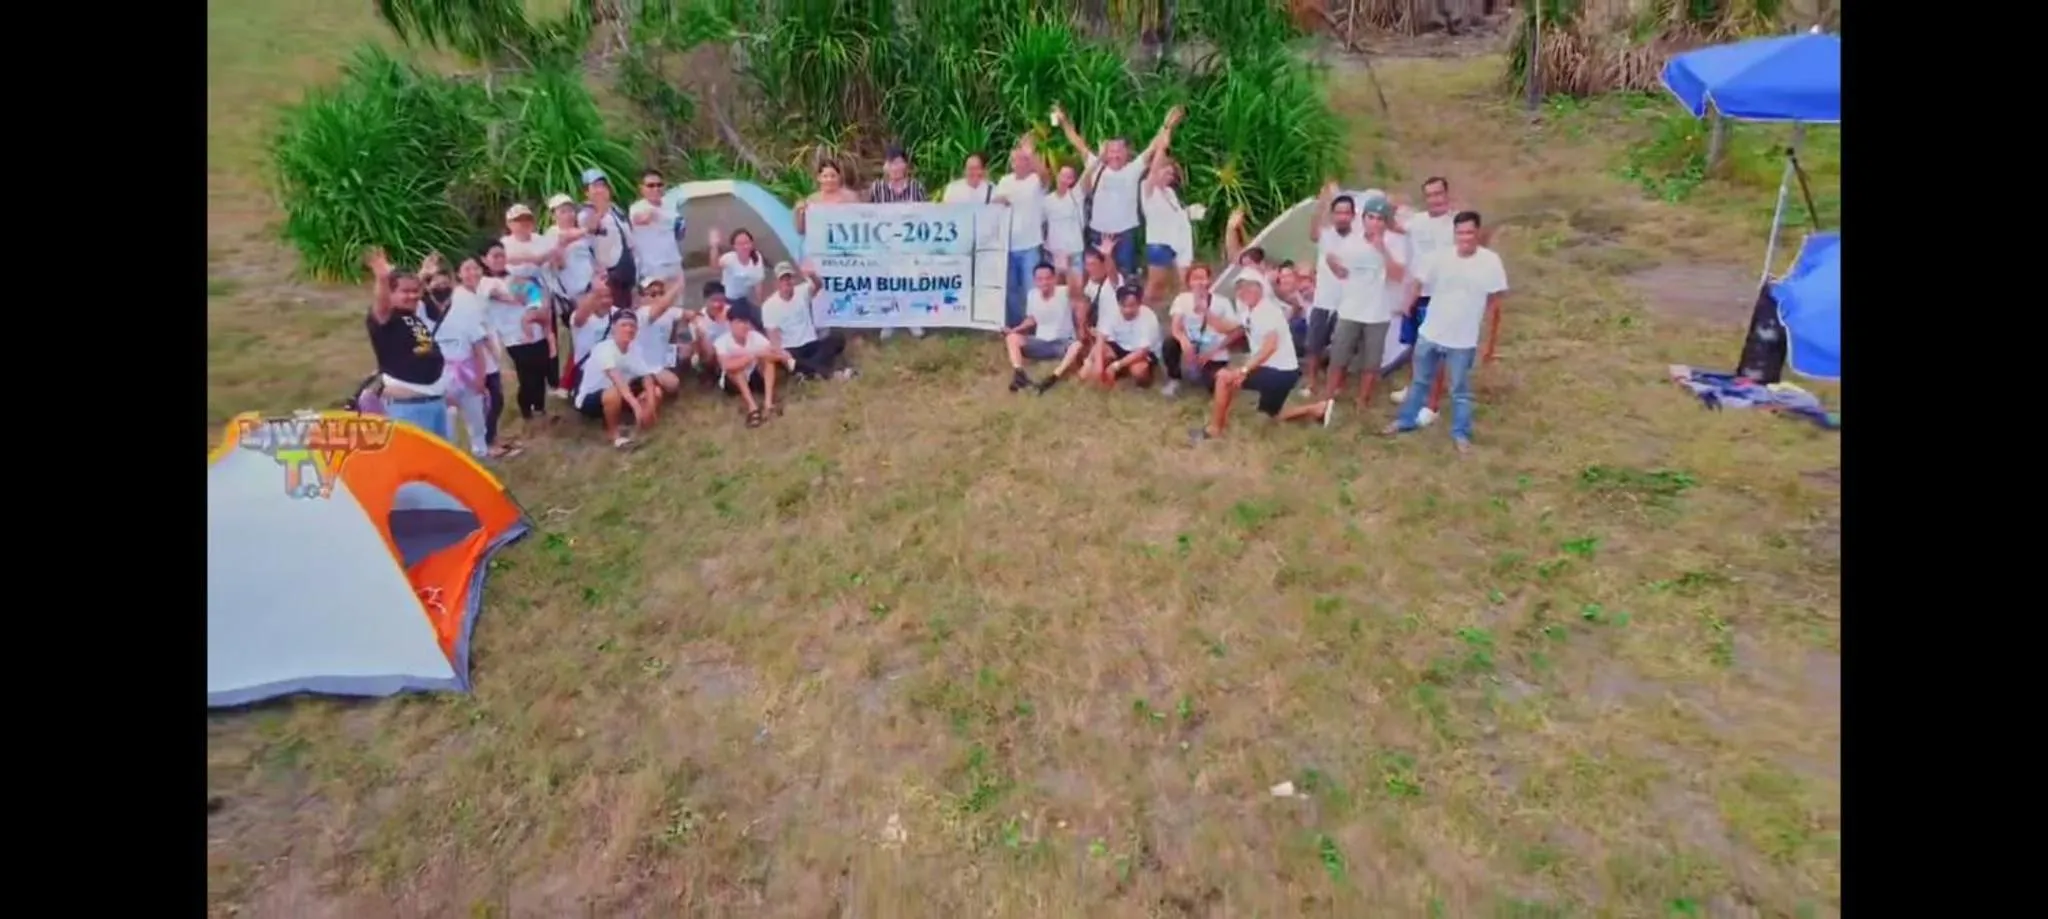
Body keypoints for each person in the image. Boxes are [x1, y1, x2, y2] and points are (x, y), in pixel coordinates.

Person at [1383, 211, 1508, 453]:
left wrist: (1490, 343)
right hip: (1430, 333)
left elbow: (1496, 299)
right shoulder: (1440, 258)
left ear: (1478, 233)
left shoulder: (1490, 262)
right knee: (1419, 382)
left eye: (1469, 232)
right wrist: (1409, 303)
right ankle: (1406, 420)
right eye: (1460, 232)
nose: (1465, 237)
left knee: (1460, 390)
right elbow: (1419, 280)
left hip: (1462, 340)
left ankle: (1461, 433)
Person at [1189, 271, 1333, 443]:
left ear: (1260, 289)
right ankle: (1317, 409)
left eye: (1249, 287)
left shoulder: (1268, 311)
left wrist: (1243, 370)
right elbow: (1225, 328)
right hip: (1281, 371)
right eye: (1240, 288)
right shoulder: (1250, 311)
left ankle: (1214, 430)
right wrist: (1205, 311)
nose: (1243, 292)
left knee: (1223, 378)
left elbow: (1269, 347)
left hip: (1280, 372)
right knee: (1270, 416)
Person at [1054, 103, 1184, 280]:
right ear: (1105, 152)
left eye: (1119, 151)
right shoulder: (1096, 165)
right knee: (1097, 277)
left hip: (1124, 234)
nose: (1115, 155)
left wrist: (1168, 125)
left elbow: (1154, 146)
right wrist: (1063, 122)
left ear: (1126, 152)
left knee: (1125, 278)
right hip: (1098, 232)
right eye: (1111, 151)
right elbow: (1077, 143)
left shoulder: (1133, 169)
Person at [1319, 194, 1409, 420]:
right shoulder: (1351, 240)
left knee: (1372, 360)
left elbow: (1398, 276)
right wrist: (1335, 267)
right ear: (1364, 218)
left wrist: (1382, 249)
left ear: (1386, 221)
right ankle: (1328, 397)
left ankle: (1363, 401)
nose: (1375, 222)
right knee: (1339, 355)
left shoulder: (1395, 243)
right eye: (1371, 217)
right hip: (1349, 309)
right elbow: (1332, 258)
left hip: (1378, 313)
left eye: (1380, 218)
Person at [1385, 175, 1459, 407]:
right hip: (1415, 293)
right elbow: (1392, 226)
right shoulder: (1417, 221)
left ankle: (1431, 402)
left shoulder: (1455, 225)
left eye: (1438, 194)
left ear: (1446, 194)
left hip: (1439, 295)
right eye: (1429, 195)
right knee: (1416, 345)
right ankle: (1415, 387)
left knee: (1435, 348)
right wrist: (1388, 204)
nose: (1434, 199)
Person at [363, 249, 450, 440]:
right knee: (416, 467)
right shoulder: (384, 319)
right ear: (390, 293)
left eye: (415, 291)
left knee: (441, 467)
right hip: (410, 409)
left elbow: (411, 289)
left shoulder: (410, 315)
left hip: (435, 403)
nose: (413, 296)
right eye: (405, 292)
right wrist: (383, 278)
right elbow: (382, 304)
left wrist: (423, 275)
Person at [439, 256, 516, 459]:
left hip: (487, 353)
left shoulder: (479, 292)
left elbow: (508, 297)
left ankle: (491, 438)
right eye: (467, 269)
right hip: (474, 357)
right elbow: (471, 335)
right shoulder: (460, 298)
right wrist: (488, 362)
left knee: (495, 399)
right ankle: (485, 443)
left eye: (476, 268)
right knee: (491, 400)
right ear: (458, 273)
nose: (473, 273)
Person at [484, 242, 553, 443]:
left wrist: (533, 307)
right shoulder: (485, 283)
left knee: (541, 369)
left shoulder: (516, 278)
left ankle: (540, 408)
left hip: (535, 330)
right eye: (494, 256)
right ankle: (527, 410)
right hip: (513, 336)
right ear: (484, 260)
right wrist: (518, 295)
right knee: (527, 373)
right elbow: (508, 295)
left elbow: (537, 297)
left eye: (501, 255)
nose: (499, 259)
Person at [498, 203, 562, 398]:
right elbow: (514, 259)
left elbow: (554, 259)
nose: (523, 224)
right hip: (516, 296)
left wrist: (544, 258)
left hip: (541, 291)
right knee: (525, 339)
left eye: (526, 219)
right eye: (518, 221)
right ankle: (529, 386)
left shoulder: (540, 239)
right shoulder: (504, 243)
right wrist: (537, 258)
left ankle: (553, 381)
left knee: (549, 336)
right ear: (509, 224)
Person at [574, 309, 661, 451]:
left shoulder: (635, 348)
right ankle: (613, 434)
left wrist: (651, 407)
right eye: (624, 325)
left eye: (632, 326)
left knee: (655, 392)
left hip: (621, 393)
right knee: (613, 392)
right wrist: (636, 406)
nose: (629, 329)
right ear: (614, 327)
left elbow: (647, 377)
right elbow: (617, 381)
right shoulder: (604, 348)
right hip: (593, 398)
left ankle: (640, 423)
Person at [1302, 182, 1356, 398]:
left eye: (1346, 213)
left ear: (1353, 215)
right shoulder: (1326, 235)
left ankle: (1337, 384)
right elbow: (1313, 232)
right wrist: (1324, 200)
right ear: (1333, 215)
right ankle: (1311, 383)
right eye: (1338, 212)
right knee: (1314, 345)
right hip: (1322, 300)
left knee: (1342, 347)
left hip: (1347, 303)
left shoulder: (1360, 240)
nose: (1342, 217)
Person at [761, 260, 854, 380]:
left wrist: (812, 275)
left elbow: (818, 285)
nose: (787, 282)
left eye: (789, 278)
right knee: (789, 360)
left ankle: (806, 372)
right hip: (791, 348)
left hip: (811, 343)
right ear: (776, 283)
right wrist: (783, 355)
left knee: (837, 338)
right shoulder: (769, 306)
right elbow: (774, 339)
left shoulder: (802, 291)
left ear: (794, 280)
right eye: (783, 279)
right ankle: (831, 374)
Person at [541, 193, 595, 398]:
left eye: (570, 210)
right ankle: (568, 383)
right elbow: (558, 260)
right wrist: (584, 230)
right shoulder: (552, 234)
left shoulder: (580, 233)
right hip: (573, 296)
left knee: (587, 339)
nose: (568, 214)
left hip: (589, 290)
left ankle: (575, 381)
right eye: (562, 211)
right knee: (581, 341)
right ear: (553, 214)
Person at [1160, 263, 1241, 398]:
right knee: (1170, 343)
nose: (1199, 283)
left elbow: (1235, 331)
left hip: (1214, 349)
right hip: (1192, 343)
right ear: (1189, 282)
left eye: (1203, 278)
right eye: (1195, 278)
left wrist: (1212, 352)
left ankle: (1210, 372)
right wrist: (1184, 341)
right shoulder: (1182, 299)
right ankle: (1174, 378)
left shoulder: (1222, 302)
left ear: (1209, 281)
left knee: (1214, 387)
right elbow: (1176, 327)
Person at [993, 140, 1049, 331]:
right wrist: (999, 201)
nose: (1020, 163)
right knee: (1011, 288)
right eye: (1016, 160)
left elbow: (1046, 176)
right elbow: (994, 205)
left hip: (1030, 244)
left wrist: (1031, 154)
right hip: (1008, 245)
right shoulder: (1004, 181)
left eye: (1024, 159)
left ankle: (1034, 323)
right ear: (1011, 163)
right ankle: (1017, 325)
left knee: (1031, 287)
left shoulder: (1035, 181)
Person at [1002, 262, 1080, 392]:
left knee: (1076, 346)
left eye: (1048, 278)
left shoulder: (1063, 292)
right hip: (1040, 342)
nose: (1044, 282)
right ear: (1034, 281)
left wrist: (1067, 270)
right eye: (1040, 279)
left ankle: (1053, 378)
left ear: (1054, 278)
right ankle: (1019, 374)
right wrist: (1015, 330)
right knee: (1012, 338)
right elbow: (1032, 319)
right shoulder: (1032, 295)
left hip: (1061, 343)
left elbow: (1076, 290)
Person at [714, 308, 793, 427]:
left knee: (768, 361)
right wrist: (752, 355)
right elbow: (726, 365)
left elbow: (773, 353)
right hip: (733, 382)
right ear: (730, 324)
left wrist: (779, 354)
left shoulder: (755, 336)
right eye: (740, 322)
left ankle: (768, 403)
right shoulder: (721, 342)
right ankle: (752, 408)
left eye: (746, 322)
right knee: (736, 368)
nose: (744, 326)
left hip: (754, 376)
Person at [578, 168, 636, 315]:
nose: (600, 190)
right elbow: (590, 228)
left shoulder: (616, 210)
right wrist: (600, 210)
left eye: (603, 185)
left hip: (627, 269)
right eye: (595, 186)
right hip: (608, 274)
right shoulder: (585, 212)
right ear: (587, 191)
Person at [1084, 285, 1162, 390]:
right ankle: (1109, 370)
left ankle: (1125, 371)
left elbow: (1142, 351)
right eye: (1123, 306)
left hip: (1141, 352)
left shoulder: (1148, 317)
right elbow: (1101, 338)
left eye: (1132, 306)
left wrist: (1116, 366)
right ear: (1118, 303)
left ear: (1139, 304)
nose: (1127, 310)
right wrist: (1098, 363)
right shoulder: (1112, 312)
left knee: (1139, 371)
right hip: (1120, 346)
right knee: (1099, 352)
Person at [1140, 154, 1194, 304]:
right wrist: (1161, 147)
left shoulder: (1170, 193)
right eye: (1166, 172)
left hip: (1179, 241)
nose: (1169, 177)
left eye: (1171, 174)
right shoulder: (1147, 188)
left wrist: (1190, 212)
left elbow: (1176, 216)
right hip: (1159, 242)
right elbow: (1153, 169)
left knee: (1186, 283)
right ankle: (1140, 313)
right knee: (1156, 285)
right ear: (1156, 171)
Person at [631, 276, 689, 395]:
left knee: (687, 348)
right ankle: (644, 386)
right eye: (652, 294)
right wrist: (677, 287)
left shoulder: (669, 312)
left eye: (661, 293)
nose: (657, 297)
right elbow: (662, 306)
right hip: (644, 367)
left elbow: (690, 316)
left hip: (663, 362)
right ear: (641, 297)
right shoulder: (641, 314)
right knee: (672, 384)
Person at [628, 168, 685, 286]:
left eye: (659, 185)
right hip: (653, 268)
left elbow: (679, 232)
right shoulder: (637, 207)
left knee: (678, 303)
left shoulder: (669, 206)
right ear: (641, 188)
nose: (656, 189)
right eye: (650, 185)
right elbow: (638, 219)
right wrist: (649, 215)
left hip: (674, 263)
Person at [1043, 163, 1087, 289]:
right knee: (1054, 291)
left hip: (1073, 252)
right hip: (1053, 253)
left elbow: (1087, 173)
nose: (1063, 179)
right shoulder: (1047, 200)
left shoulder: (1077, 195)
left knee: (1076, 291)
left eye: (1068, 177)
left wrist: (1100, 158)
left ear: (1073, 181)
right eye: (1061, 175)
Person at [708, 227, 768, 318]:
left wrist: (761, 303)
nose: (744, 246)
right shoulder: (729, 259)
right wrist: (714, 246)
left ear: (752, 244)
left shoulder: (757, 257)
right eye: (740, 244)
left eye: (747, 243)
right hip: (730, 299)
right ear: (734, 246)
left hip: (747, 298)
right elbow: (714, 267)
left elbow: (758, 283)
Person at [1076, 242, 1124, 348]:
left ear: (1103, 264)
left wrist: (1107, 255)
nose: (1089, 269)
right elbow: (1084, 303)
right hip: (1097, 333)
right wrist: (1082, 327)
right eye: (1087, 264)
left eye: (1092, 264)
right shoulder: (1090, 283)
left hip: (1114, 336)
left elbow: (1112, 273)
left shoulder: (1115, 280)